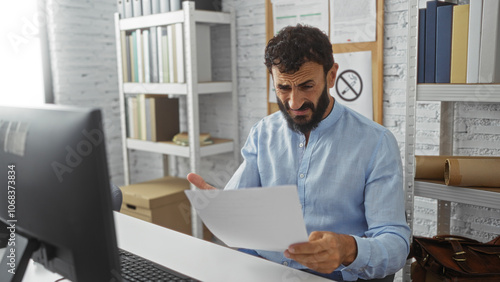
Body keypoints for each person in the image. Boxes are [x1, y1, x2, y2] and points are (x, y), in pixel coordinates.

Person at [187, 24, 410, 282]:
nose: (294, 103)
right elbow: (240, 218)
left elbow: (396, 245)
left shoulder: (376, 143)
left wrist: (348, 249)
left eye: (306, 86)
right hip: (262, 272)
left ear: (331, 75)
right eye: (283, 88)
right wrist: (223, 211)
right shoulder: (263, 134)